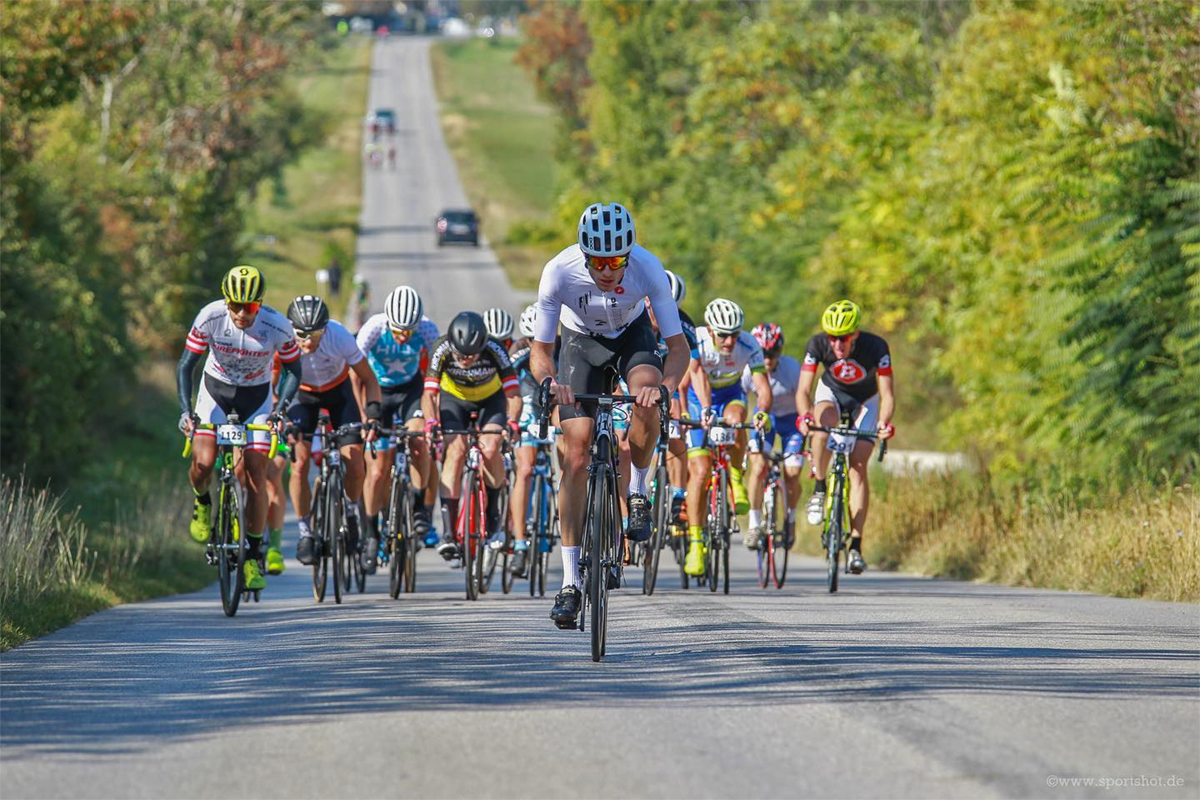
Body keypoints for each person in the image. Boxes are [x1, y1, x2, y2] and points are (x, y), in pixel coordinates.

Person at [530, 202, 689, 629]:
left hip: (631, 339)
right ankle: (569, 583)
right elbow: (541, 353)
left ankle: (637, 490)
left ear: (628, 254)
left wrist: (665, 390)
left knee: (645, 394)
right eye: (597, 261)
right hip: (579, 343)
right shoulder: (558, 272)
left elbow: (678, 350)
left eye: (616, 260)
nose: (607, 270)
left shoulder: (648, 268)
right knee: (577, 452)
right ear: (583, 255)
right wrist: (550, 383)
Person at [178, 265, 300, 592]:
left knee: (257, 473)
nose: (243, 314)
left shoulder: (277, 325)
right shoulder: (210, 316)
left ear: (260, 303)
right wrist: (186, 410)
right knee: (203, 464)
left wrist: (282, 410)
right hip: (215, 394)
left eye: (251, 307)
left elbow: (294, 371)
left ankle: (252, 557)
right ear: (225, 300)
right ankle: (203, 504)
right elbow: (187, 365)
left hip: (257, 400)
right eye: (235, 305)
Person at [282, 296, 384, 570]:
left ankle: (351, 511)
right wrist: (278, 417)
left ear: (325, 329)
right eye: (301, 334)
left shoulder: (339, 336)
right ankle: (305, 532)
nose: (307, 341)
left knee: (354, 459)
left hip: (340, 395)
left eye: (315, 334)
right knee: (299, 462)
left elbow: (369, 379)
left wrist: (372, 415)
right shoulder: (281, 337)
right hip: (302, 398)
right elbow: (271, 384)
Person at [797, 300, 896, 574]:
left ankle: (855, 546)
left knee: (859, 467)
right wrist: (804, 415)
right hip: (831, 395)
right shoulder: (817, 344)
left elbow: (887, 393)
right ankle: (819, 488)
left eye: (843, 338)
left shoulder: (876, 347)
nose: (837, 344)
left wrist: (884, 423)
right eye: (833, 338)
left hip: (865, 400)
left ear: (856, 334)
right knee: (821, 423)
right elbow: (804, 390)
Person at [423, 312, 522, 560]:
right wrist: (432, 422)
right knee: (455, 452)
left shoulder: (495, 348)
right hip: (454, 399)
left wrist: (512, 422)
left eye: (471, 355)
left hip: (491, 400)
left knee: (490, 449)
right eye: (460, 355)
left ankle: (492, 513)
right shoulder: (442, 347)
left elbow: (513, 392)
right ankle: (448, 533)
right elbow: (429, 395)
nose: (465, 360)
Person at [683, 298, 771, 575]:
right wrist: (696, 411)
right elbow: (694, 375)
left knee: (736, 420)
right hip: (699, 397)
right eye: (723, 335)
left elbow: (761, 386)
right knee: (699, 472)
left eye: (734, 334)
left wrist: (762, 412)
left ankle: (735, 475)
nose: (729, 341)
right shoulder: (695, 338)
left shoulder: (749, 344)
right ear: (710, 329)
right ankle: (696, 543)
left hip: (731, 394)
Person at [355, 286, 440, 564]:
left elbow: (437, 374)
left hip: (409, 391)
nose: (404, 337)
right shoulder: (373, 328)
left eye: (409, 331)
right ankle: (370, 534)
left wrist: (433, 417)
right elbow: (355, 376)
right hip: (377, 392)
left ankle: (418, 508)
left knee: (419, 440)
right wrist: (366, 417)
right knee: (378, 469)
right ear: (388, 321)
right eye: (398, 331)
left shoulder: (427, 330)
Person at [744, 322, 804, 549]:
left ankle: (790, 518)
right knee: (758, 467)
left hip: (791, 420)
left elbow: (803, 398)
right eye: (763, 353)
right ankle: (754, 524)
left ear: (781, 351)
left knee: (792, 472)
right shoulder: (749, 370)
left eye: (773, 353)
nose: (768, 359)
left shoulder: (791, 368)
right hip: (764, 420)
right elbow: (739, 397)